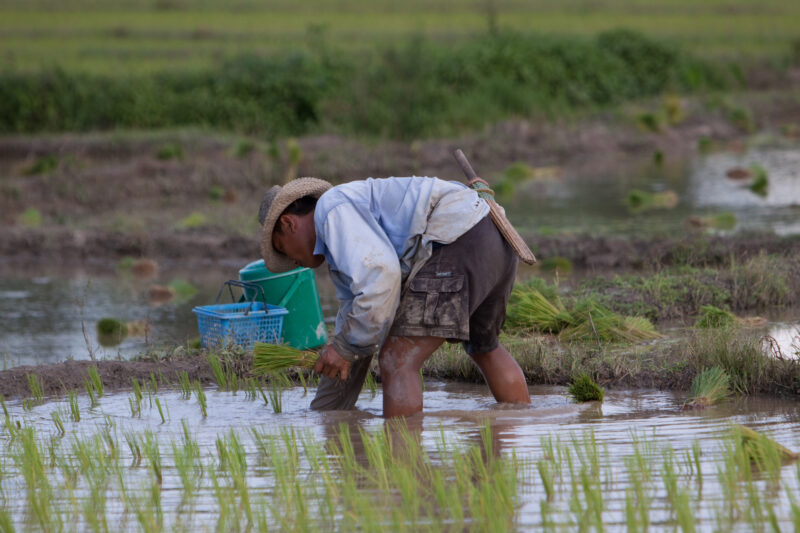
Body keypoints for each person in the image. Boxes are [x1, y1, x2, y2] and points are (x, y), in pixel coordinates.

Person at [258, 176, 530, 417]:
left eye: (284, 249)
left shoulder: (332, 210)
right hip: (495, 238)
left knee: (397, 359)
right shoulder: (342, 239)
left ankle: (402, 464)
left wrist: (344, 348)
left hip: (459, 239)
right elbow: (358, 319)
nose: (293, 262)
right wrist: (328, 409)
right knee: (484, 347)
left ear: (289, 223)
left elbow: (381, 279)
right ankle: (519, 430)